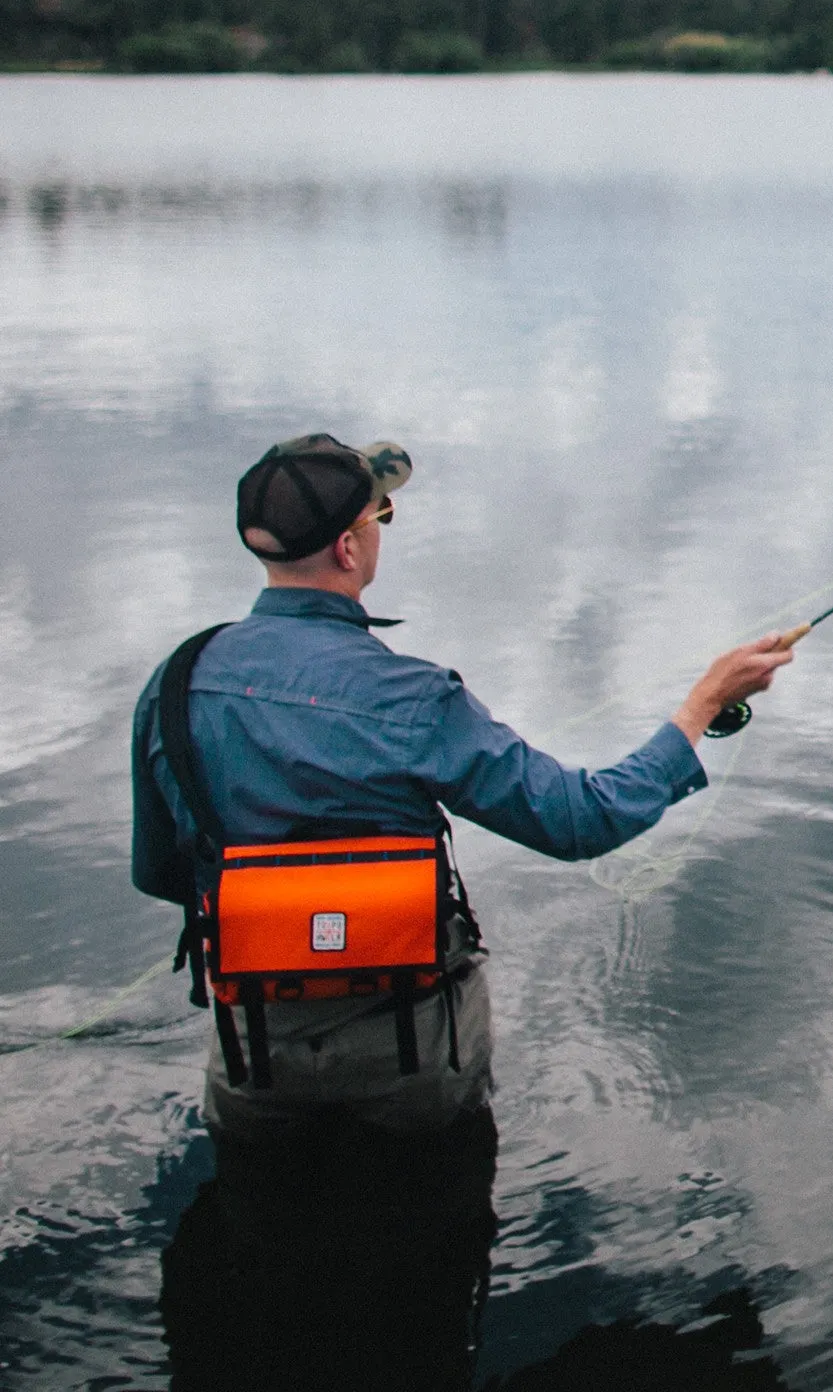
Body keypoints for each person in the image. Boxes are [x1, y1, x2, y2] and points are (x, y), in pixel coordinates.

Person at [131, 432, 794, 1139]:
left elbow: (163, 873)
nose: (381, 531)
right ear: (349, 550)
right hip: (410, 1055)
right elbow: (581, 820)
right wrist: (700, 708)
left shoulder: (175, 684)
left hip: (251, 1051)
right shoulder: (414, 697)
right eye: (379, 517)